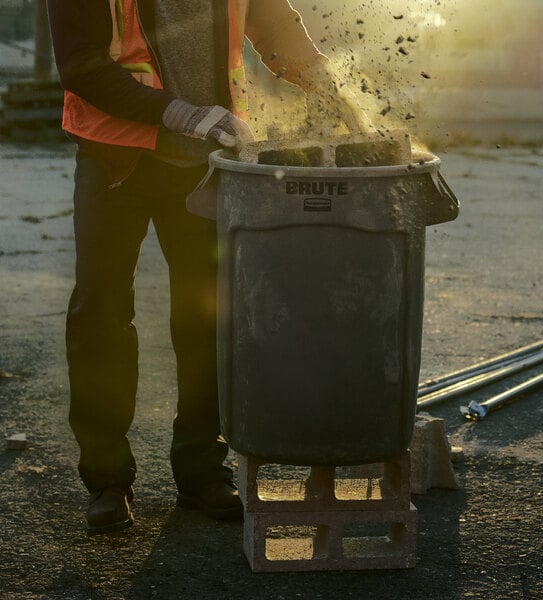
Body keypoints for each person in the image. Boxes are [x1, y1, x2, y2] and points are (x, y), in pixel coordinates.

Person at [46, 0, 369, 535]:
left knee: (207, 317)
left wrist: (326, 86)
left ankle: (200, 472)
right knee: (101, 314)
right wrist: (182, 113)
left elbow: (271, 20)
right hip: (115, 156)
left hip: (204, 164)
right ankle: (107, 480)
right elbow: (80, 65)